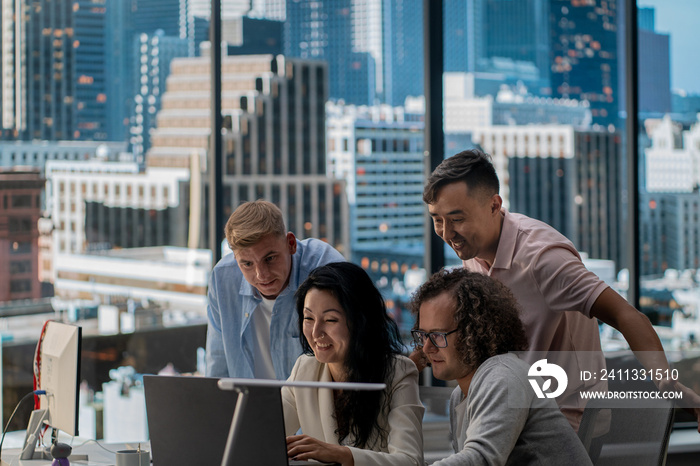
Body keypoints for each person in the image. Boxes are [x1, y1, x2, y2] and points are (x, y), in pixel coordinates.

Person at [418, 148, 700, 431]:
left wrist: (667, 383)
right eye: (436, 219)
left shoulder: (542, 258)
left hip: (569, 421)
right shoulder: (471, 251)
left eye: (457, 219)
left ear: (494, 205)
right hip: (517, 411)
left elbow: (626, 315)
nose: (446, 233)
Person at [411, 268, 593, 465]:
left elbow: (480, 459)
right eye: (423, 335)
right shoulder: (461, 394)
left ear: (475, 332)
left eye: (438, 335)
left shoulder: (503, 377)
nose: (427, 347)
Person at [282, 262, 424, 466]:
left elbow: (410, 461)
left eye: (330, 320)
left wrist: (342, 455)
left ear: (361, 321)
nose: (315, 333)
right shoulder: (304, 369)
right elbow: (264, 436)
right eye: (308, 318)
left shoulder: (398, 372)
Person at [205, 200, 345, 379]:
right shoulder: (222, 279)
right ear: (235, 258)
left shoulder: (327, 268)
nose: (261, 274)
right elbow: (217, 364)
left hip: (315, 404)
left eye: (270, 258)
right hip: (248, 404)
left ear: (291, 243)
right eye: (247, 264)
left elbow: (358, 351)